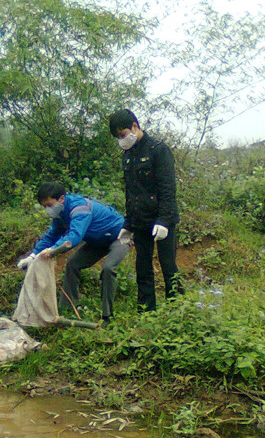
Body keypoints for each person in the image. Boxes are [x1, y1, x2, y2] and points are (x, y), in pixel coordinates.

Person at [17, 181, 129, 324]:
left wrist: (53, 250)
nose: (47, 209)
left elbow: (75, 236)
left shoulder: (80, 208)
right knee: (73, 264)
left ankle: (107, 316)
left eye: (49, 205)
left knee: (108, 268)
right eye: (44, 206)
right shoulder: (60, 213)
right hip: (97, 242)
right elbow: (52, 235)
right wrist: (33, 255)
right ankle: (68, 309)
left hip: (119, 236)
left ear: (61, 199)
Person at [109, 109, 182, 311]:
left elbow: (168, 189)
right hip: (140, 222)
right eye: (118, 137)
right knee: (143, 268)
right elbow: (131, 193)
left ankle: (179, 310)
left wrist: (164, 221)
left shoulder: (158, 150)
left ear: (134, 126)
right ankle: (146, 312)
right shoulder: (128, 155)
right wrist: (128, 225)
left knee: (169, 267)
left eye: (123, 134)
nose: (121, 140)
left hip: (161, 219)